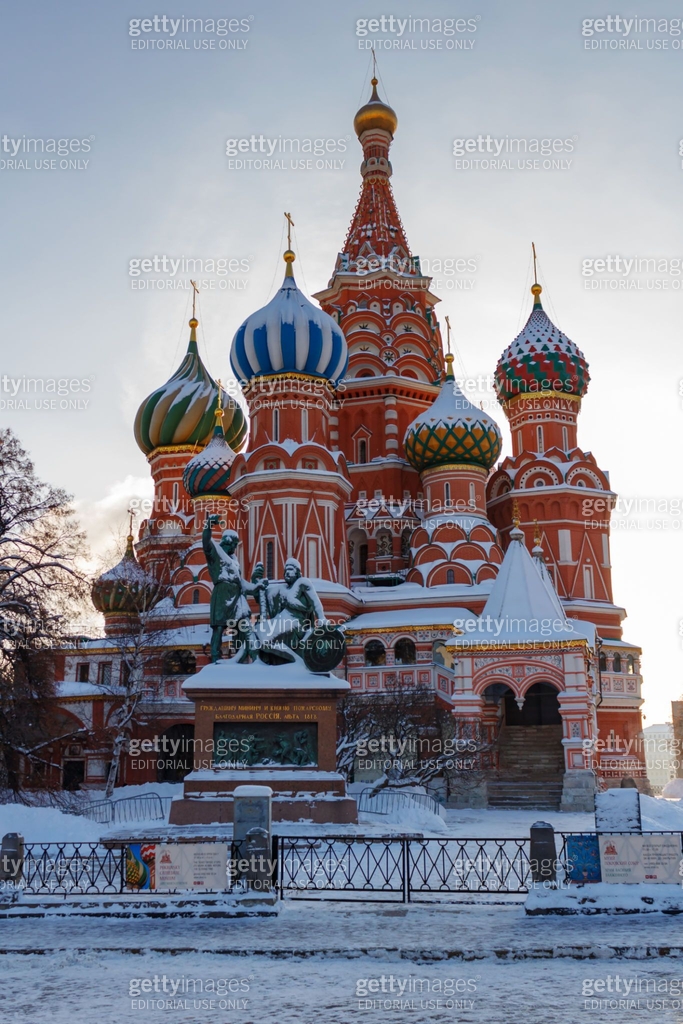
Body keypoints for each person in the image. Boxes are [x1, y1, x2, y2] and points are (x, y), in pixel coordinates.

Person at [202, 516, 265, 662]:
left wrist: (256, 586)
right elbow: (206, 542)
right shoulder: (216, 553)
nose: (235, 548)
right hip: (222, 595)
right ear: (228, 542)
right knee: (219, 627)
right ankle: (215, 658)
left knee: (242, 626)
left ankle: (243, 657)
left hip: (237, 598)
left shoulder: (234, 562)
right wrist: (210, 524)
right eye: (234, 545)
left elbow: (241, 583)